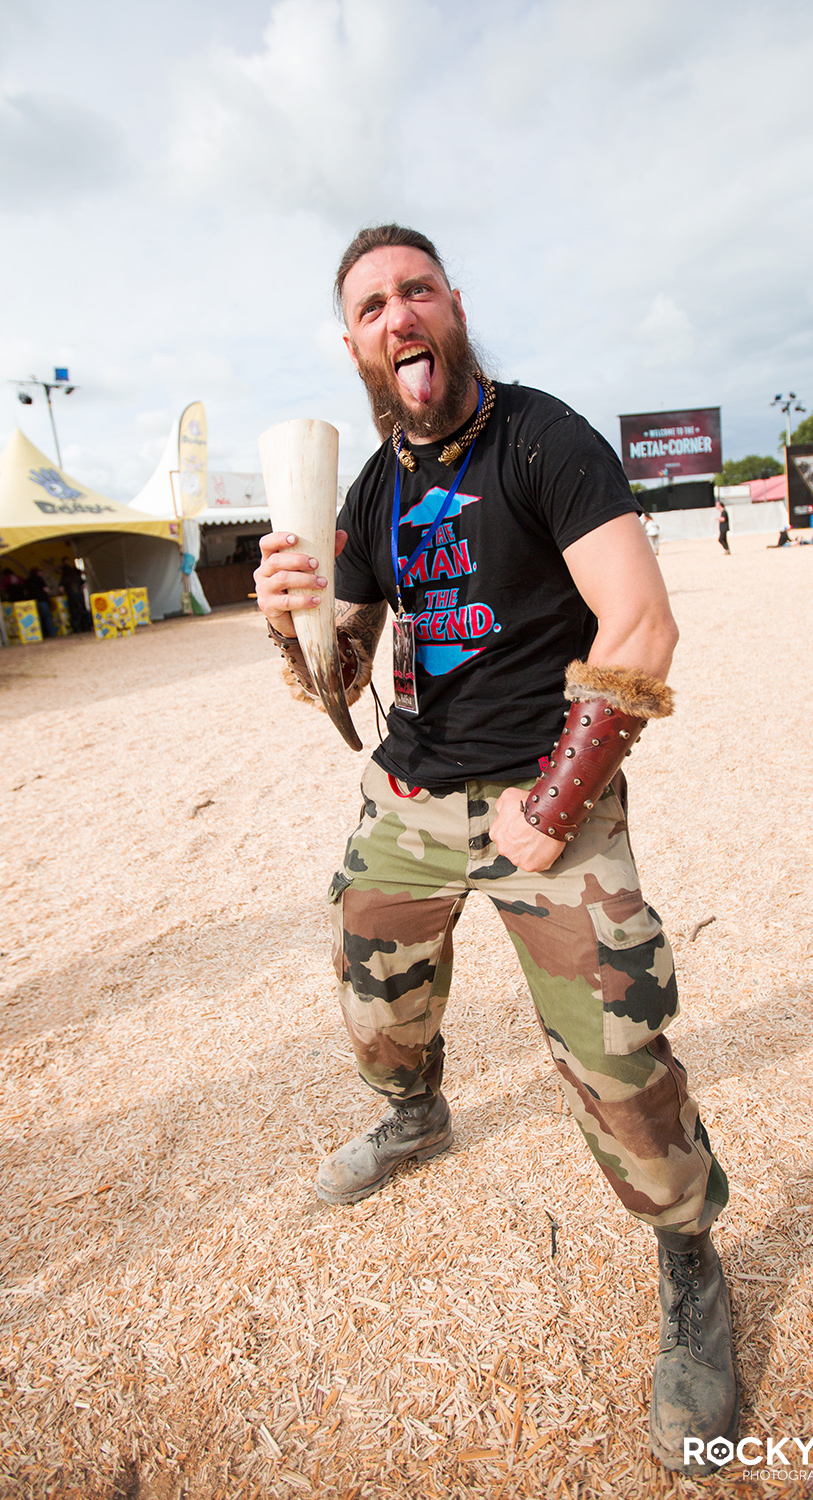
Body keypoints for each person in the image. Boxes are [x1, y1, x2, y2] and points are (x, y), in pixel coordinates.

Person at [255, 225, 735, 1477]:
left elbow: (641, 618)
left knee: (619, 1050)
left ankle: (690, 1265)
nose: (399, 315)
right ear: (355, 343)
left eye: (417, 291)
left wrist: (559, 799)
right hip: (413, 792)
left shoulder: (543, 439)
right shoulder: (372, 489)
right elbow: (340, 675)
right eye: (373, 306)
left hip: (544, 789)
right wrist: (290, 625)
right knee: (375, 990)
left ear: (453, 307)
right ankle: (415, 1115)